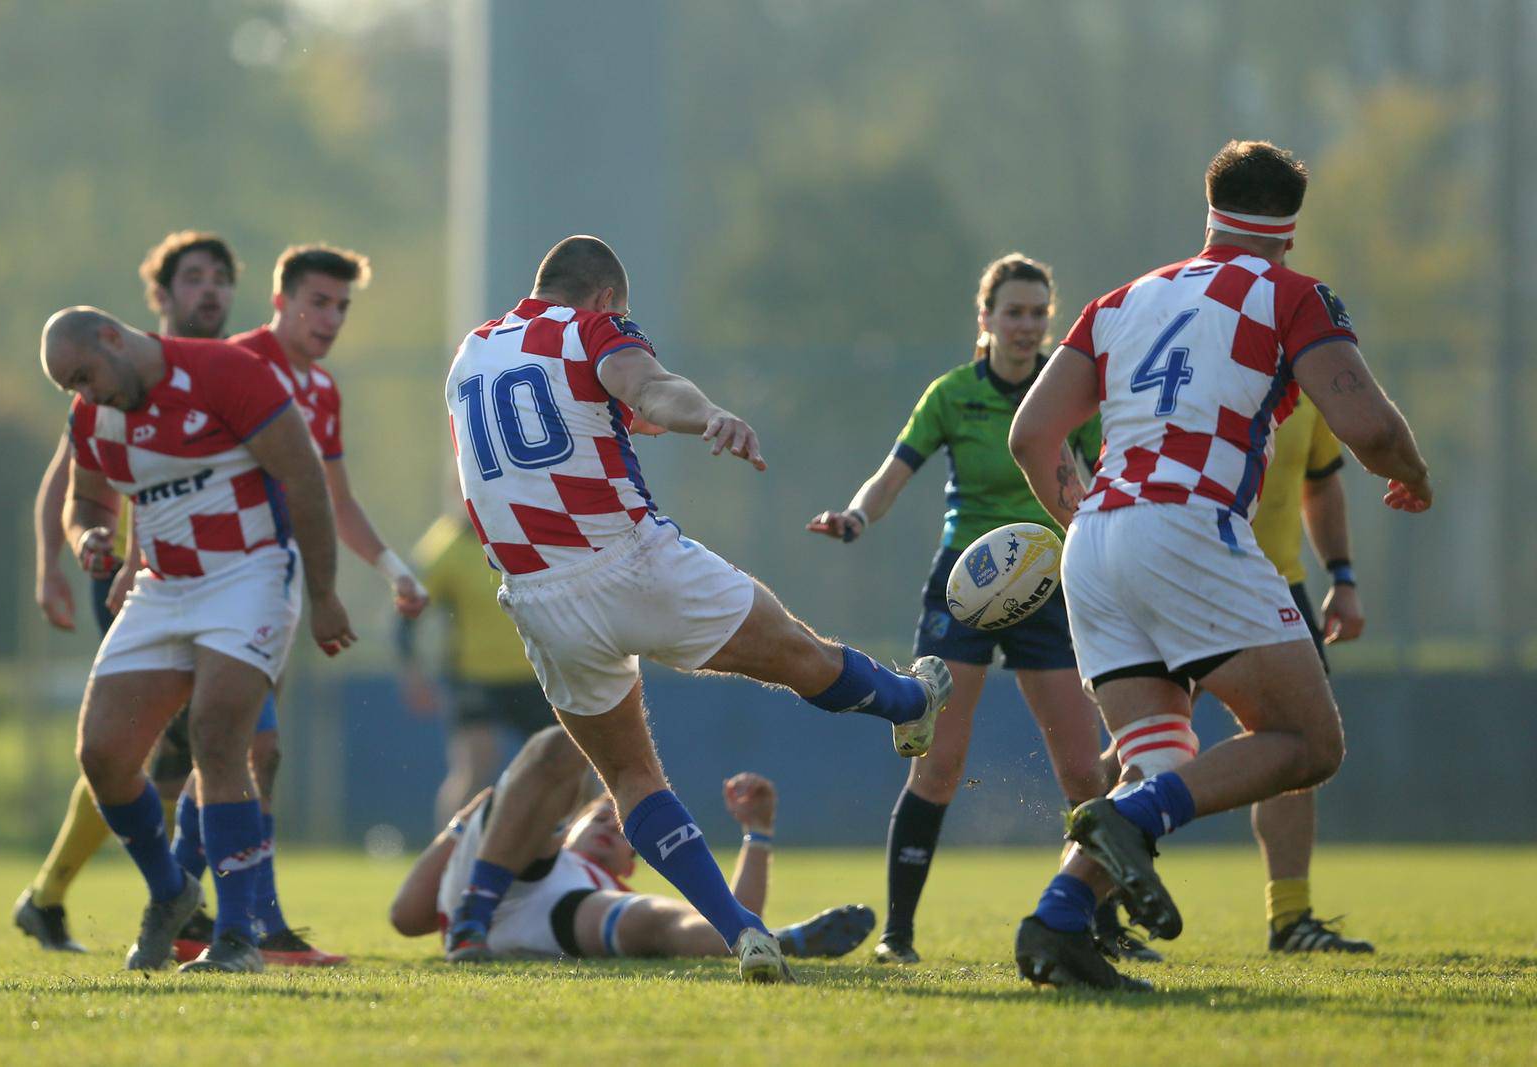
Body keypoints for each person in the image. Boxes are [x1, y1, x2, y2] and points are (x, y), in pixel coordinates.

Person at [441, 235, 952, 984]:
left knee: (631, 778)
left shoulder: (472, 352)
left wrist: (628, 412)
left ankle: (740, 927)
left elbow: (552, 429)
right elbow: (648, 386)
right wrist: (705, 412)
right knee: (799, 654)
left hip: (540, 600)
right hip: (628, 560)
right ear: (607, 298)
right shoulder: (593, 328)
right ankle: (910, 699)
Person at [1006, 139, 1431, 990]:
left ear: (1210, 212)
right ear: (1288, 232)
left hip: (1095, 537)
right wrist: (1414, 476)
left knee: (1157, 756)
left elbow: (1030, 435)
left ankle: (1057, 922)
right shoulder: (1290, 293)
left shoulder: (1121, 299)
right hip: (1187, 528)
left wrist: (1090, 514)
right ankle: (1136, 818)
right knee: (1308, 741)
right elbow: (1373, 432)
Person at [807, 254, 1132, 965]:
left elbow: (1094, 486)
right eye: (1012, 312)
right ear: (984, 319)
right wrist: (856, 518)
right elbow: (892, 475)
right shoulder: (952, 394)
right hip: (968, 588)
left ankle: (1098, 927)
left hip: (1052, 587)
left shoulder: (1072, 392)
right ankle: (899, 934)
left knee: (1084, 772)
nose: (1026, 326)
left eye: (1038, 313)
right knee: (940, 763)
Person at [41, 305, 356, 974]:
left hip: (251, 571)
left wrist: (325, 594)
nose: (85, 393)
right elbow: (86, 498)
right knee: (102, 752)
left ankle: (237, 936)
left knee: (219, 735)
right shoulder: (93, 416)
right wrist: (86, 535)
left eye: (85, 375)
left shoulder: (224, 372)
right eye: (71, 385)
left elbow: (304, 478)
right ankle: (171, 892)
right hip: (162, 586)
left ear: (112, 336)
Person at [163, 244, 429, 966]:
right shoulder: (235, 365)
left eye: (342, 306)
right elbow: (169, 467)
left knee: (242, 750)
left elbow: (334, 498)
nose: (331, 318)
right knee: (253, 748)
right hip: (215, 583)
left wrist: (392, 568)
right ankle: (246, 921)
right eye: (317, 301)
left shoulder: (322, 390)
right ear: (279, 301)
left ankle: (189, 910)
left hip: (272, 585)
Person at [15, 231, 240, 953]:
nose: (210, 289)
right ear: (161, 297)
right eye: (194, 277)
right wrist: (54, 559)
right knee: (162, 746)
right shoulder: (110, 373)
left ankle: (66, 896)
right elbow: (74, 474)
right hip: (134, 578)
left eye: (220, 277)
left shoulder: (226, 369)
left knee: (178, 750)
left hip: (224, 578)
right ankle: (189, 904)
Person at [388, 727, 875, 965]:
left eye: (623, 832)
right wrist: (462, 823)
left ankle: (785, 941)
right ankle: (473, 916)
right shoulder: (528, 832)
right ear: (571, 821)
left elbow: (736, 912)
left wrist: (758, 834)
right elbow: (406, 917)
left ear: (631, 862)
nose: (609, 827)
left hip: (560, 919)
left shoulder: (605, 892)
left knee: (659, 921)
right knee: (563, 741)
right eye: (601, 816)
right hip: (505, 874)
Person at [1243, 391, 1373, 953]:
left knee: (1297, 747)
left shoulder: (1309, 382)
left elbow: (1318, 484)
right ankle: (1087, 906)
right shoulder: (1199, 350)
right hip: (1187, 576)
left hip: (1278, 583)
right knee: (1144, 745)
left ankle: (1290, 918)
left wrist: (1341, 577)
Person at [396, 514, 554, 828]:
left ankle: (579, 859)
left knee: (566, 763)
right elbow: (406, 617)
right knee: (476, 763)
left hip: (538, 673)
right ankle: (447, 858)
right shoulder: (444, 547)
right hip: (474, 676)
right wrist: (412, 673)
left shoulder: (529, 530)